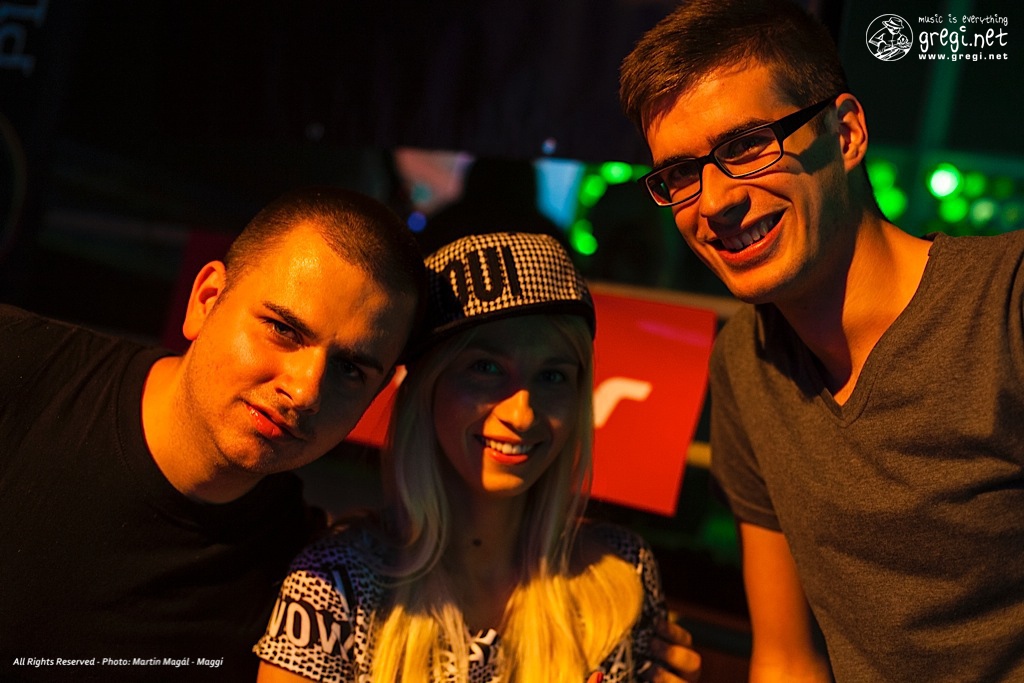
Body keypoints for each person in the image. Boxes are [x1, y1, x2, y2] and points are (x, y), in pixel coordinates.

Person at [620, 0, 1024, 681]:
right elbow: (786, 656)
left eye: (746, 146)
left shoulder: (1005, 304)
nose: (713, 202)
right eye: (681, 174)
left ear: (846, 133)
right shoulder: (746, 358)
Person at [0, 186, 425, 682]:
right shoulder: (18, 366)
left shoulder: (305, 589)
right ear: (205, 300)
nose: (305, 391)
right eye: (284, 330)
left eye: (350, 369)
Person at [254, 232, 702, 682]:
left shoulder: (620, 572)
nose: (522, 414)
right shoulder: (336, 584)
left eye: (553, 376)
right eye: (486, 368)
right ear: (427, 385)